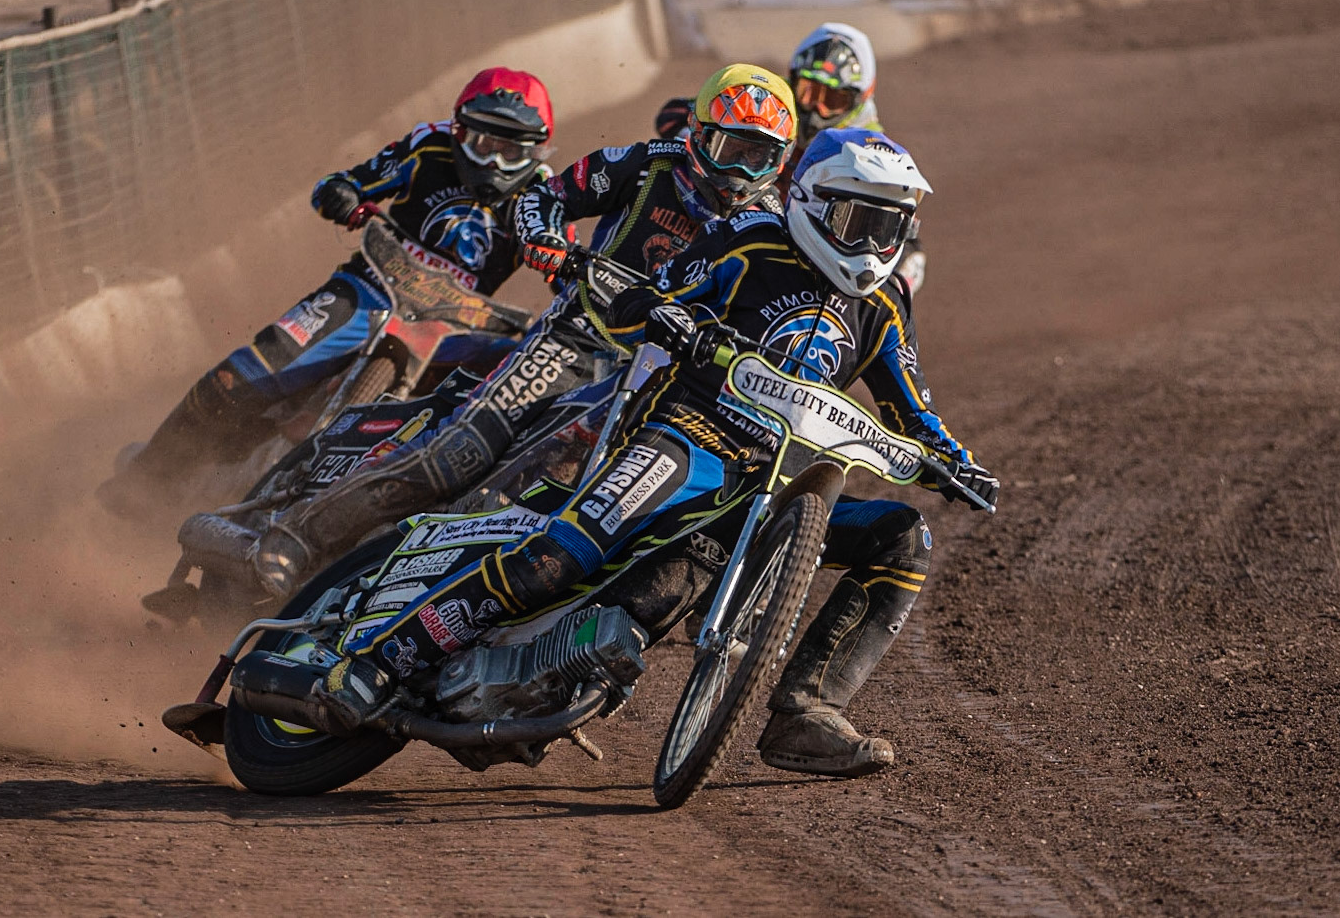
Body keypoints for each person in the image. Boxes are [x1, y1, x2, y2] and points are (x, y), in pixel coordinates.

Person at [301, 126, 998, 778]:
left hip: (767, 491)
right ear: (813, 204)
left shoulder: (879, 310)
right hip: (682, 438)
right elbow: (646, 296)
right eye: (862, 222)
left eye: (891, 227)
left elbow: (914, 410)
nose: (875, 244)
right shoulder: (745, 240)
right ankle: (381, 658)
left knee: (903, 539)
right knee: (560, 559)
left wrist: (955, 462)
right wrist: (669, 312)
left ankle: (806, 711)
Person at [247, 63, 800, 599]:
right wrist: (550, 245)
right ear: (699, 135)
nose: (740, 174)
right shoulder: (646, 163)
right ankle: (297, 534)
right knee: (460, 455)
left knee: (594, 511)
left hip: (669, 383)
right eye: (732, 151)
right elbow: (545, 196)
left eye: (760, 157)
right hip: (579, 339)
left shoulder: (775, 230)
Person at [96, 67, 556, 518]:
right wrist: (344, 197)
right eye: (482, 144)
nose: (493, 162)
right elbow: (341, 183)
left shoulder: (546, 197)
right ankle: (146, 480)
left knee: (510, 402)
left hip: (458, 326)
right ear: (459, 131)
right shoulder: (428, 147)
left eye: (509, 151)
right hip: (371, 289)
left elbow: (569, 271)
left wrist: (577, 288)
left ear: (535, 152)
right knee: (240, 376)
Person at [654, 22, 928, 293]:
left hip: (815, 255)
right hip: (732, 219)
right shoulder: (772, 106)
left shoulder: (872, 150)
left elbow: (894, 225)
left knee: (905, 259)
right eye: (809, 93)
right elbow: (674, 114)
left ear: (859, 101)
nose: (816, 111)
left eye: (832, 100)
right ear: (793, 80)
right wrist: (711, 140)